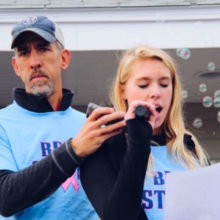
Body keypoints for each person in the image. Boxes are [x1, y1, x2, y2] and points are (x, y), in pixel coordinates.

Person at [0, 16, 125, 220]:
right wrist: (74, 150)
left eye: (43, 48)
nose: (34, 62)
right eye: (24, 52)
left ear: (64, 58)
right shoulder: (2, 124)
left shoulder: (91, 125)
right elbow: (5, 198)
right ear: (16, 66)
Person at [80, 45, 210, 220]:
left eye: (164, 84)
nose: (155, 93)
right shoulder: (102, 150)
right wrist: (138, 143)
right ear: (123, 91)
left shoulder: (190, 148)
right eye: (143, 84)